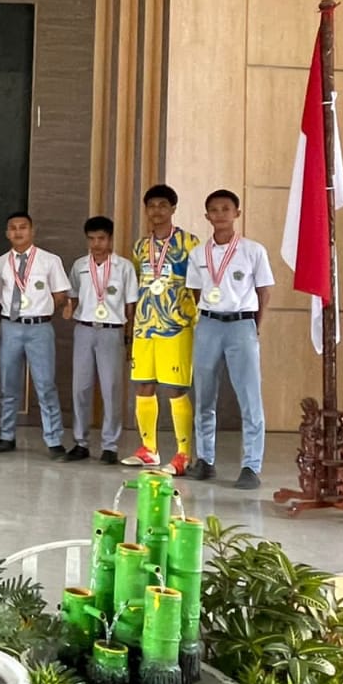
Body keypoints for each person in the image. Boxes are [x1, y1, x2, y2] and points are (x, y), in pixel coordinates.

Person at [185, 190, 274, 489]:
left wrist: (254, 326)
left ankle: (251, 466)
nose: (220, 214)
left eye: (226, 208)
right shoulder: (198, 254)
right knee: (204, 395)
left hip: (241, 325)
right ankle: (205, 459)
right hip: (209, 324)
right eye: (214, 209)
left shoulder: (253, 250)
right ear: (206, 215)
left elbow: (264, 291)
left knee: (250, 397)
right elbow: (197, 292)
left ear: (237, 213)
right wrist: (210, 314)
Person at [124, 184, 200, 475]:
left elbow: (198, 286)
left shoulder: (190, 243)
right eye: (151, 206)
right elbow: (138, 285)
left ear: (172, 209)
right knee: (144, 385)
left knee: (176, 388)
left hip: (176, 325)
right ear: (146, 210)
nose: (156, 211)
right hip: (145, 327)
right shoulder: (140, 247)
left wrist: (192, 316)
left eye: (162, 206)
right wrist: (132, 328)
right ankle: (148, 450)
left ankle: (183, 454)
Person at [0, 211, 71, 458]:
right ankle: (6, 436)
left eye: (23, 227)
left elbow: (60, 296)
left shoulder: (49, 260)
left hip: (40, 328)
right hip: (10, 327)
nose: (18, 232)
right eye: (13, 228)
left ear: (32, 231)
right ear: (7, 233)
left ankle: (54, 440)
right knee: (7, 384)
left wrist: (40, 312)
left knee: (45, 385)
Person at [62, 216, 139, 463]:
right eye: (92, 239)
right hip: (84, 329)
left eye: (101, 238)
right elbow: (73, 295)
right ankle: (80, 442)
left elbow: (130, 305)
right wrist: (68, 307)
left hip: (111, 331)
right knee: (80, 388)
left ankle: (110, 446)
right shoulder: (79, 266)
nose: (96, 244)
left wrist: (129, 337)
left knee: (111, 388)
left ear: (110, 239)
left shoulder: (124, 267)